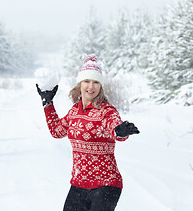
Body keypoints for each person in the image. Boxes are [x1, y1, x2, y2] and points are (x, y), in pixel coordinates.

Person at [36, 54, 139, 211]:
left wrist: (120, 131)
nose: (91, 87)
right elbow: (57, 131)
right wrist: (48, 103)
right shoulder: (74, 112)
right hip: (78, 184)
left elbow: (114, 125)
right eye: (87, 81)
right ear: (80, 84)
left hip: (106, 184)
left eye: (96, 82)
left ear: (100, 86)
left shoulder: (106, 110)